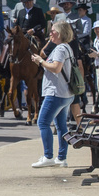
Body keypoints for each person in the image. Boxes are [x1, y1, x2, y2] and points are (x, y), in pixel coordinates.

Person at [31, 21, 77, 168]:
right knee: (61, 125)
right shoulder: (65, 47)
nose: (50, 33)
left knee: (43, 122)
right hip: (64, 93)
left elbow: (56, 68)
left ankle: (48, 156)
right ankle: (61, 158)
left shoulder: (60, 49)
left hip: (56, 93)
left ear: (61, 33)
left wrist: (40, 62)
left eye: (53, 31)